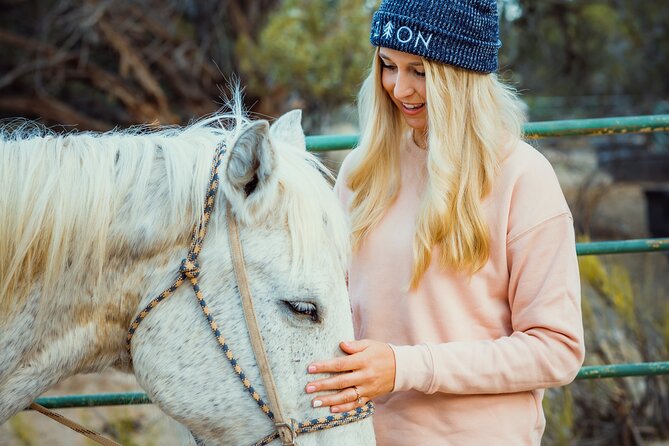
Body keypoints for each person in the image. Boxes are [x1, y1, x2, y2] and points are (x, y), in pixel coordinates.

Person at [304, 0, 585, 445]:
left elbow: (557, 350)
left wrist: (405, 367)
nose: (398, 89)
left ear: (463, 74)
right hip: (360, 436)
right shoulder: (362, 172)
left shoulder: (523, 177)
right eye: (387, 65)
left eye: (419, 70)